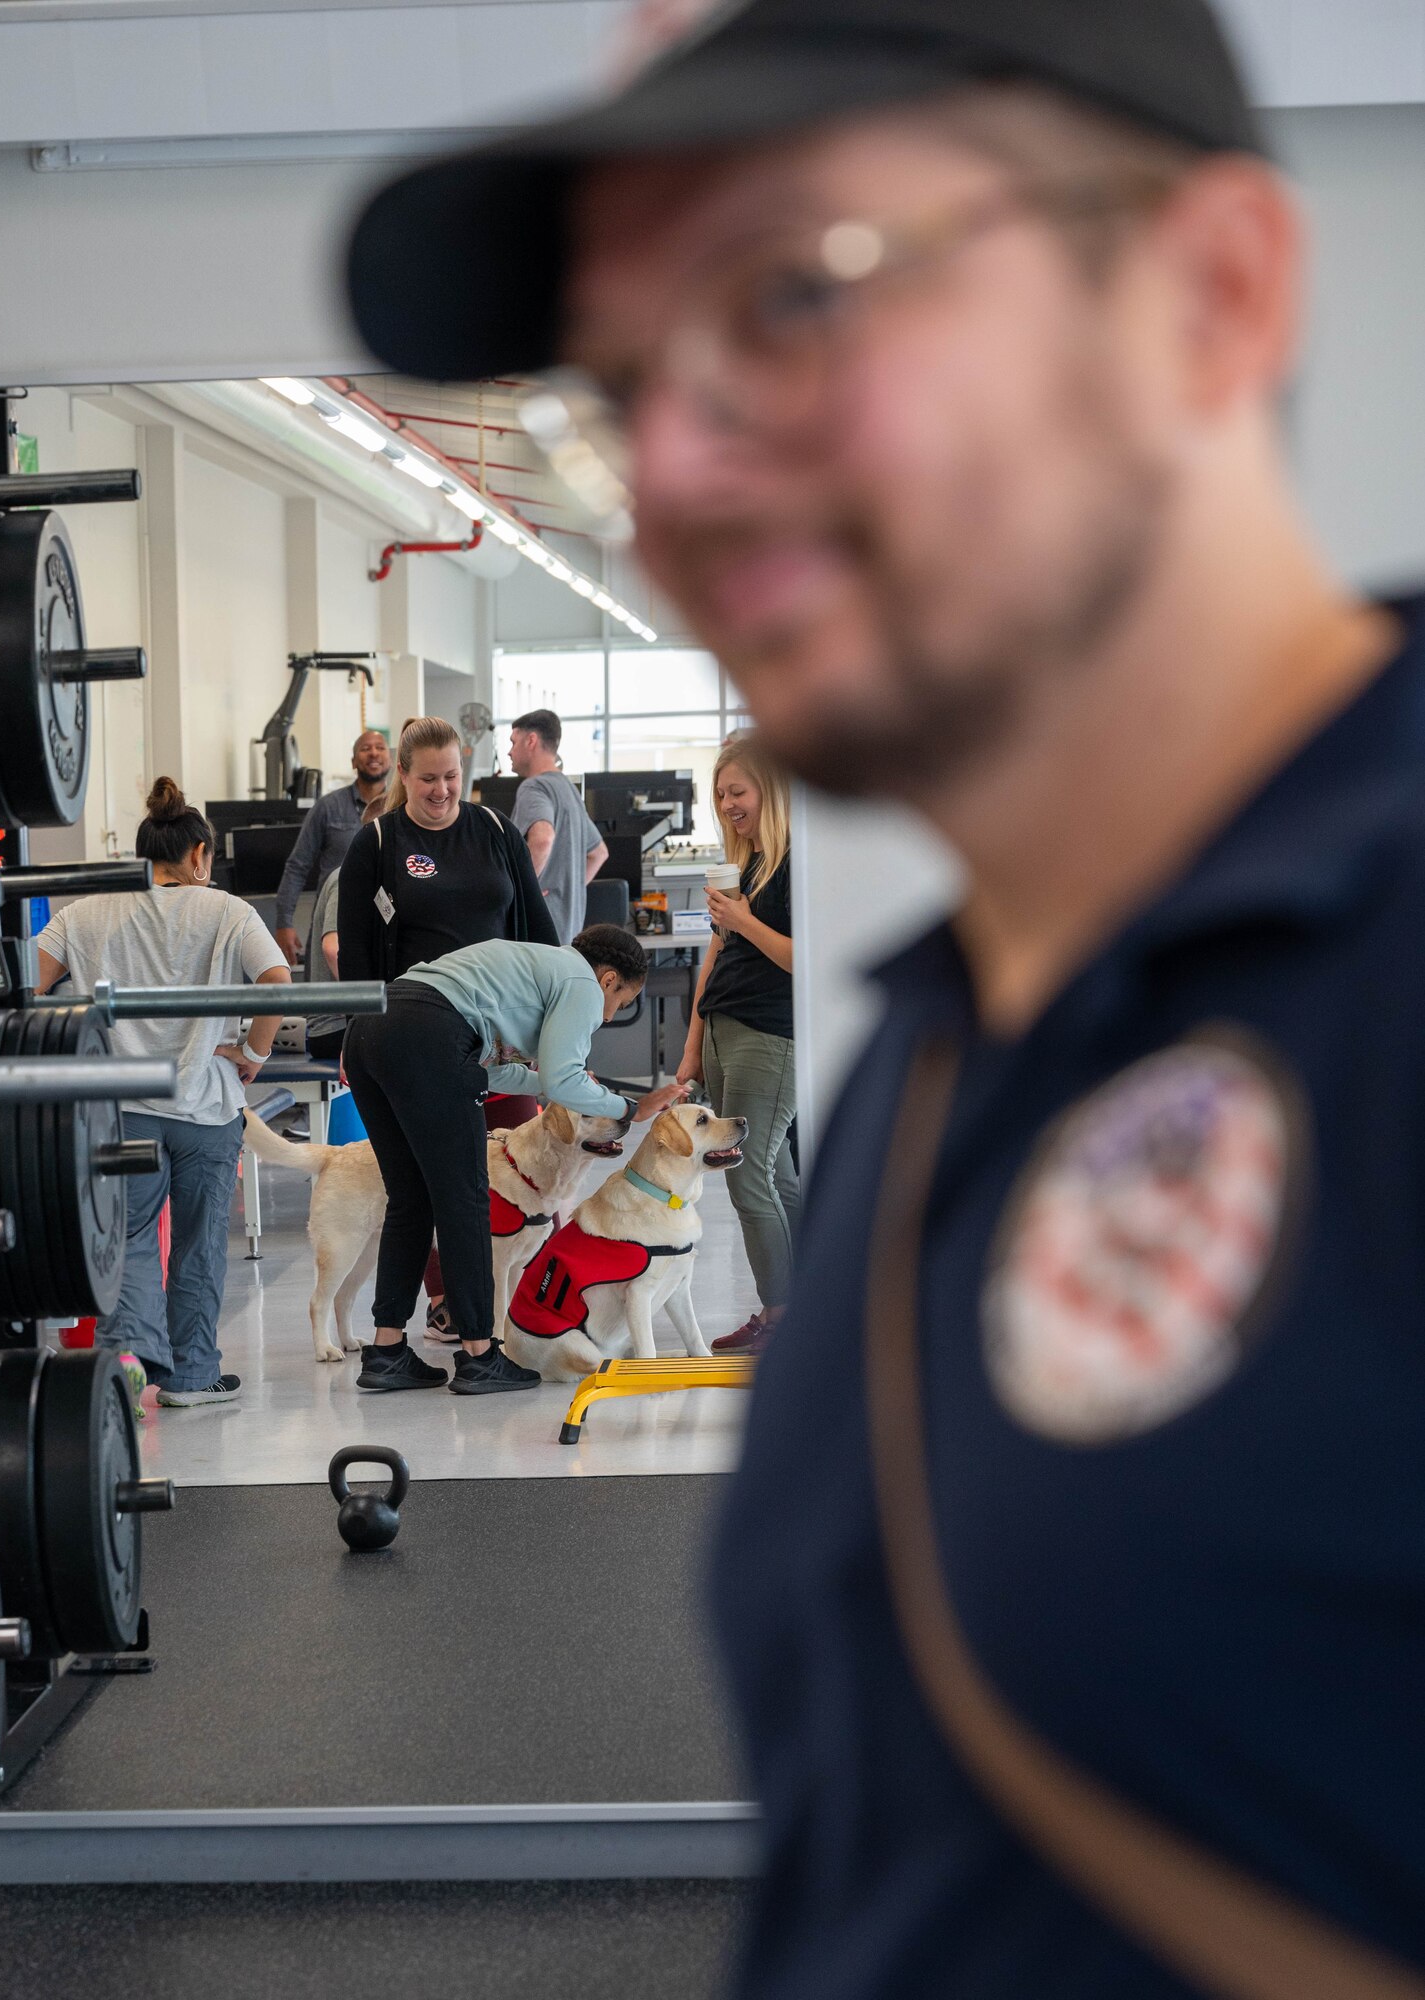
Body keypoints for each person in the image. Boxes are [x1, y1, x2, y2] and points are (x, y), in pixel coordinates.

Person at [348, 2, 1425, 1995]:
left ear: (1211, 294)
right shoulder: (948, 1052)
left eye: (792, 295)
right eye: (625, 374)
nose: (668, 465)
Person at [341, 925, 688, 1395]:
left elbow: (502, 1070)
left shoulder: (528, 970)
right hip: (429, 1035)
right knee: (465, 1201)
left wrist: (554, 1083)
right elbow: (567, 1082)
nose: (607, 1017)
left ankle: (386, 1352)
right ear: (609, 981)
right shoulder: (582, 982)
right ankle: (481, 1356)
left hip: (371, 1029)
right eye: (620, 1003)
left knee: (411, 1198)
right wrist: (630, 1107)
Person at [36, 778, 292, 1408]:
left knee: (128, 1238)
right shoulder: (228, 910)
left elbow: (28, 989)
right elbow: (277, 980)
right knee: (201, 1245)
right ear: (200, 855)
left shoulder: (86, 912)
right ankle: (190, 1375)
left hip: (120, 1110)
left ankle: (127, 1361)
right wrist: (254, 1053)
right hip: (206, 1107)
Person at [339, 714, 557, 1335]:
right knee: (438, 1191)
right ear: (402, 776)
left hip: (504, 1037)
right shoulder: (378, 845)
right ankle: (460, 1322)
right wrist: (362, 1045)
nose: (442, 791)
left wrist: (544, 1033)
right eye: (428, 779)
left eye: (453, 777)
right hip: (420, 1043)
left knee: (524, 1178)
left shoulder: (493, 830)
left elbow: (539, 937)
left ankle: (522, 1311)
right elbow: (357, 964)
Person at [677, 735, 796, 1356]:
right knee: (777, 1177)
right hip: (726, 1027)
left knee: (749, 1177)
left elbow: (807, 959)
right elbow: (717, 957)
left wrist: (745, 918)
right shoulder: (747, 862)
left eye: (737, 792)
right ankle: (805, 1313)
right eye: (719, 794)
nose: (726, 804)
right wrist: (694, 1044)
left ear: (768, 791)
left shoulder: (797, 862)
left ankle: (782, 1321)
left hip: (771, 1033)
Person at [274, 727, 393, 963]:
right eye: (365, 748)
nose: (373, 754)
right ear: (353, 761)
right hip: (332, 920)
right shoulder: (327, 807)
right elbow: (298, 865)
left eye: (380, 748)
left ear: (391, 760)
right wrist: (283, 923)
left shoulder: (402, 806)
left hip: (386, 924)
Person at [508, 709, 609, 944]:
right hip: (567, 935)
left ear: (530, 740)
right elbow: (598, 853)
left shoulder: (533, 787)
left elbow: (543, 839)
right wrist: (566, 893)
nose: (509, 751)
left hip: (540, 934)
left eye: (513, 742)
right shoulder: (568, 789)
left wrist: (522, 894)